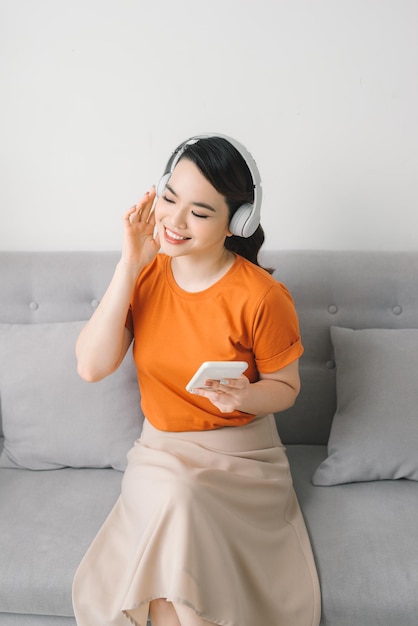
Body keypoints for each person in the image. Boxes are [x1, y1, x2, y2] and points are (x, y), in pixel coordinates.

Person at [72, 134, 321, 626]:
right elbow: (91, 367)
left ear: (238, 221)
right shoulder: (144, 274)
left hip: (243, 459)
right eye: (170, 199)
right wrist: (129, 263)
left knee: (174, 556)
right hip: (161, 455)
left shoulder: (263, 296)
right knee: (178, 495)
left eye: (200, 212)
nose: (176, 221)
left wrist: (248, 395)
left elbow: (287, 389)